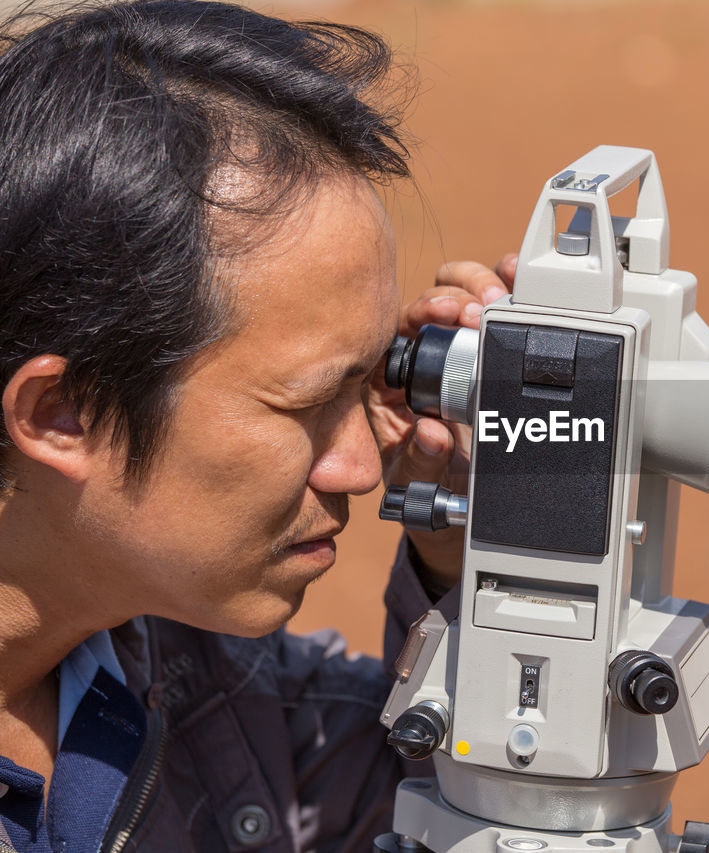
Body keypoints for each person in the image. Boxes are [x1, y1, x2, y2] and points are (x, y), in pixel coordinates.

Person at [0, 1, 494, 850]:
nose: (361, 466)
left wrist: (465, 541)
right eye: (307, 403)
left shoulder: (200, 684)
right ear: (62, 413)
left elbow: (434, 797)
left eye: (374, 376)